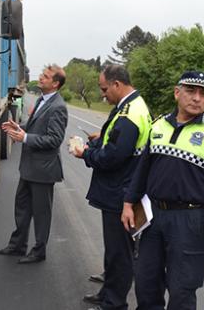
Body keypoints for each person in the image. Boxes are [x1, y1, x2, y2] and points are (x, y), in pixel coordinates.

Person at [121, 71, 204, 310]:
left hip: (190, 220)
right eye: (190, 91)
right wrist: (128, 203)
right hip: (153, 216)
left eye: (203, 94)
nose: (196, 98)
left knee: (182, 289)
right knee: (146, 282)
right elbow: (142, 171)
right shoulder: (158, 126)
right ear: (177, 93)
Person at [71, 65, 151, 310]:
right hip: (120, 188)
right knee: (114, 251)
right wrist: (98, 142)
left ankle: (114, 304)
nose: (102, 94)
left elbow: (113, 156)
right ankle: (107, 294)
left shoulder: (130, 114)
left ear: (117, 84)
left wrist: (85, 154)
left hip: (121, 193)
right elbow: (115, 143)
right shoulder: (130, 107)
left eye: (104, 89)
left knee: (120, 254)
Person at [0, 64, 68, 264]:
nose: (41, 77)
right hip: (29, 168)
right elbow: (36, 127)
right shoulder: (42, 100)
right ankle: (17, 245)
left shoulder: (58, 107)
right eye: (42, 74)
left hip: (43, 171)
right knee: (22, 208)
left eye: (46, 76)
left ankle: (39, 251)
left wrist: (25, 138)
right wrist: (19, 127)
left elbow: (54, 139)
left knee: (42, 213)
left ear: (55, 84)